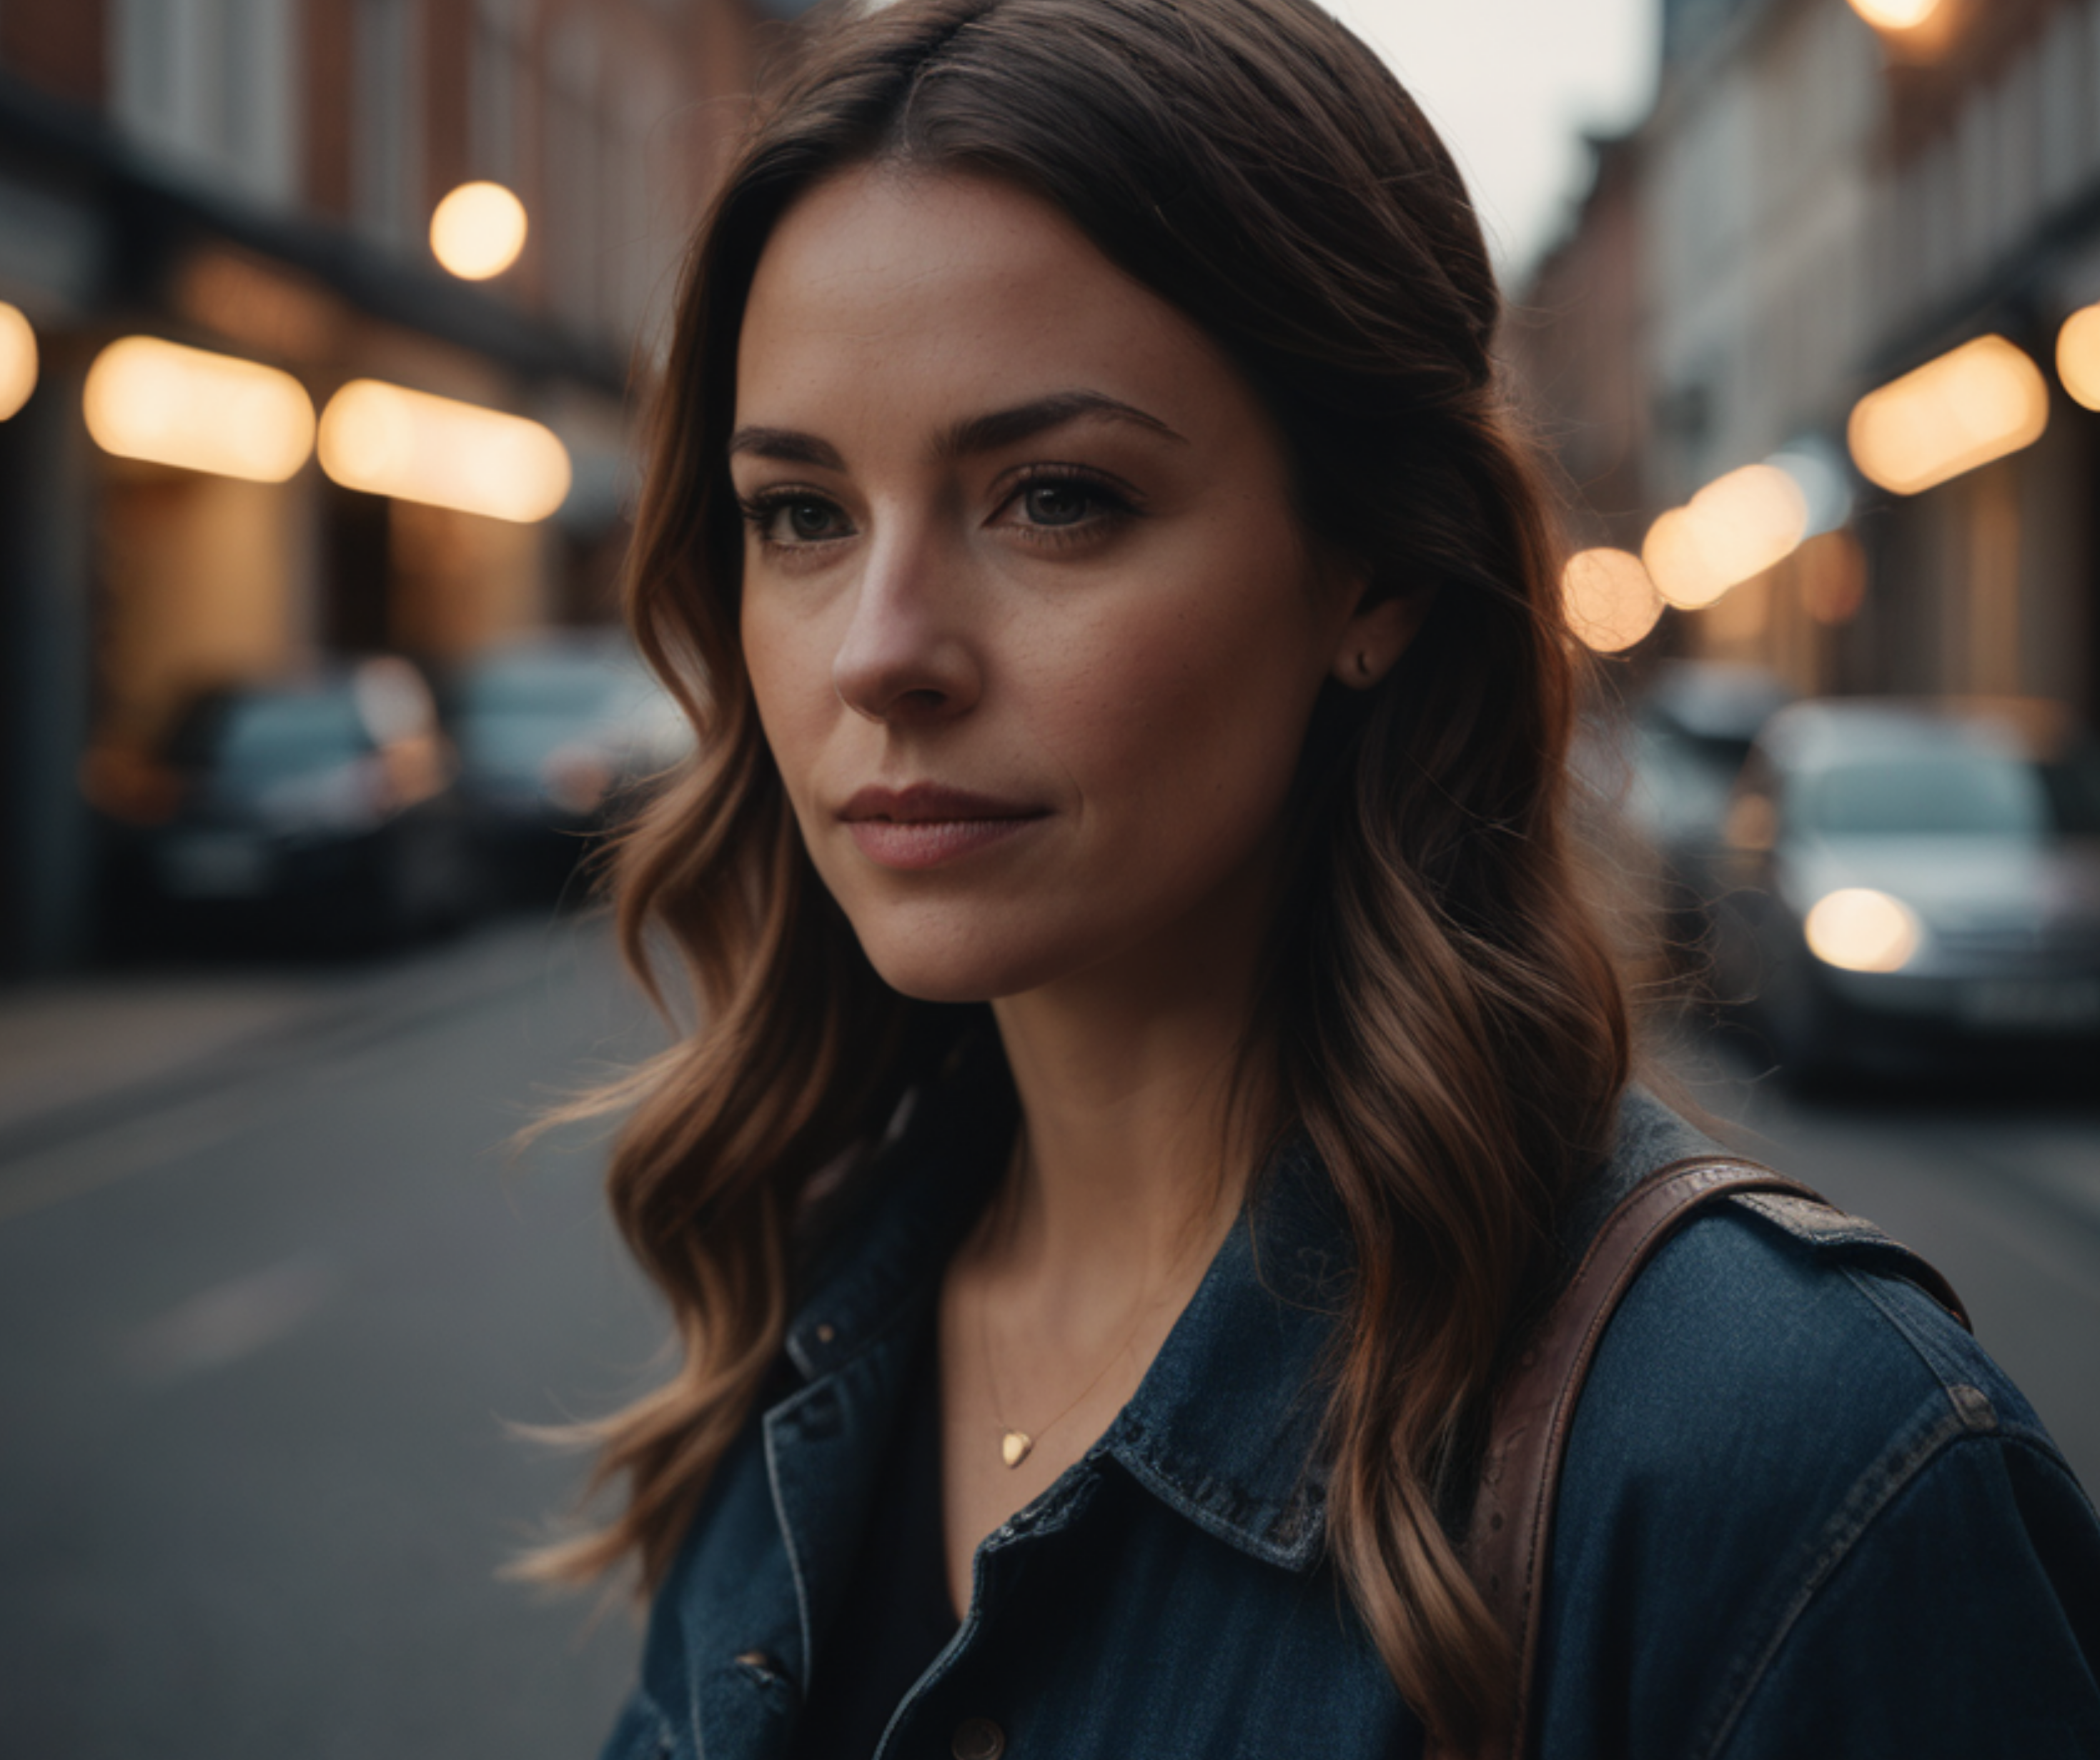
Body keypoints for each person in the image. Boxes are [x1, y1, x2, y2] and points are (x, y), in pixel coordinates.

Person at [540, 1, 2100, 1754]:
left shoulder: (1796, 1467)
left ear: (1373, 577)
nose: (879, 654)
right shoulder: (809, 1329)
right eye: (800, 516)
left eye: (1053, 497)